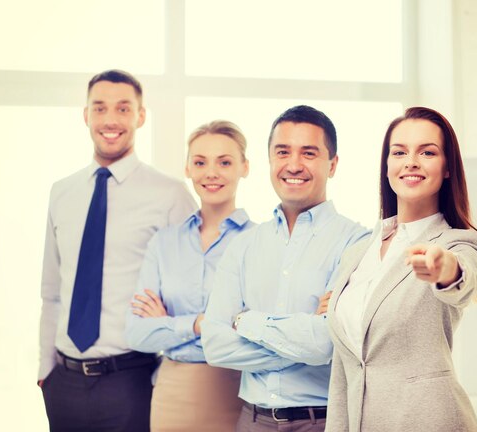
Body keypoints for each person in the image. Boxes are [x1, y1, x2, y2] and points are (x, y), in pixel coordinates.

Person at [38, 69, 197, 432]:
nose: (111, 120)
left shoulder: (169, 195)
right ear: (86, 115)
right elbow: (51, 292)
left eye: (124, 109)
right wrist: (45, 372)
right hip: (63, 382)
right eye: (100, 108)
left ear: (141, 116)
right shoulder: (61, 192)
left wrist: (162, 373)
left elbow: (193, 290)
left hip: (132, 381)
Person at [201, 105, 370, 432]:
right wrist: (302, 342)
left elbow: (324, 344)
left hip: (321, 423)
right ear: (269, 160)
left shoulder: (357, 243)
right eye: (282, 152)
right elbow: (214, 345)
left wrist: (244, 320)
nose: (294, 165)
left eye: (309, 153)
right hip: (251, 421)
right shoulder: (244, 245)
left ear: (332, 165)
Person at [325, 107, 477, 432]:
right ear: (387, 165)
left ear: (447, 168)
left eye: (427, 152)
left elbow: (463, 277)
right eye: (399, 152)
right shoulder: (359, 253)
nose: (411, 161)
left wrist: (446, 269)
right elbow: (346, 369)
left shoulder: (459, 242)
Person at [125, 120, 253, 431]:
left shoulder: (260, 242)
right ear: (187, 168)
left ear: (244, 167)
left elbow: (257, 331)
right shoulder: (164, 242)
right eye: (200, 162)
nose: (211, 172)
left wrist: (168, 322)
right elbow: (137, 334)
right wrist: (200, 323)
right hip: (172, 393)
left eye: (224, 162)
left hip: (236, 389)